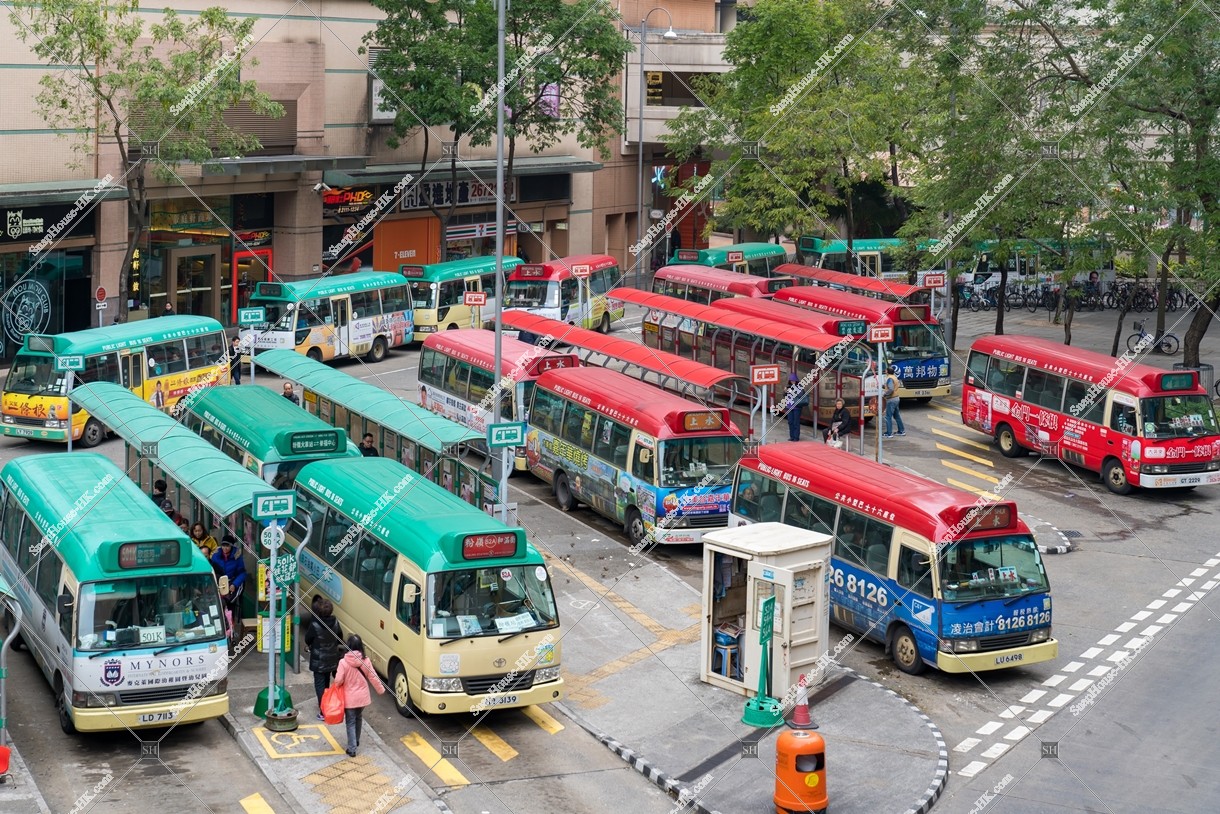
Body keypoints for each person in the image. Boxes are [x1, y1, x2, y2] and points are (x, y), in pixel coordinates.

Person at [331, 634, 385, 757]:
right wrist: (380, 690)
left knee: (350, 721)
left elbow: (338, 680)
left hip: (349, 698)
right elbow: (373, 677)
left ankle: (352, 748)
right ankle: (357, 740)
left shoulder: (343, 662)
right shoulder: (365, 661)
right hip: (362, 698)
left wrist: (337, 685)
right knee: (358, 717)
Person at [305, 596, 344, 721]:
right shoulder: (336, 622)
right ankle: (328, 705)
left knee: (320, 685)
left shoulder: (315, 625)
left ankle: (324, 711)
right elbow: (340, 638)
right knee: (327, 683)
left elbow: (307, 639)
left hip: (319, 660)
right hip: (332, 658)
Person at [211, 534, 247, 633]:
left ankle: (231, 627)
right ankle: (219, 627)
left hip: (232, 582)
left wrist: (234, 584)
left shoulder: (237, 556)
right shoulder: (215, 556)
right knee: (218, 604)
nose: (225, 548)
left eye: (227, 546)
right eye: (223, 545)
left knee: (231, 604)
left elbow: (242, 573)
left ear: (231, 546)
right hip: (219, 582)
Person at [783, 373, 809, 442]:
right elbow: (784, 395)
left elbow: (801, 395)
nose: (792, 382)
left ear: (796, 381)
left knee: (796, 422)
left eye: (794, 381)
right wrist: (785, 391)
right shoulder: (788, 387)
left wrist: (792, 392)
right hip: (789, 407)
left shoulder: (799, 387)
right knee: (790, 422)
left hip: (797, 407)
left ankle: (796, 437)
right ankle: (791, 436)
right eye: (791, 381)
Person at [882, 366, 905, 438]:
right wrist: (884, 386)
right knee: (896, 415)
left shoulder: (889, 379)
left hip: (891, 399)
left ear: (887, 372)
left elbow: (891, 389)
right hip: (896, 398)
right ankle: (901, 431)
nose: (885, 371)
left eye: (885, 370)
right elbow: (892, 387)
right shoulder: (895, 377)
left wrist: (885, 394)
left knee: (888, 417)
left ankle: (889, 433)